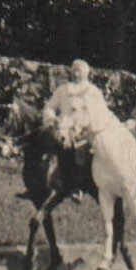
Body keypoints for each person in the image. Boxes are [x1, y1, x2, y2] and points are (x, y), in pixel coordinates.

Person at [42, 59, 116, 195]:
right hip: (63, 128)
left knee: (82, 153)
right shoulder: (63, 90)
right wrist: (52, 119)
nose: (76, 74)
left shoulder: (93, 92)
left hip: (85, 132)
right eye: (74, 70)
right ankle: (42, 183)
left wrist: (89, 127)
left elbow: (102, 114)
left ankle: (77, 186)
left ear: (86, 73)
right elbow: (50, 107)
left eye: (79, 71)